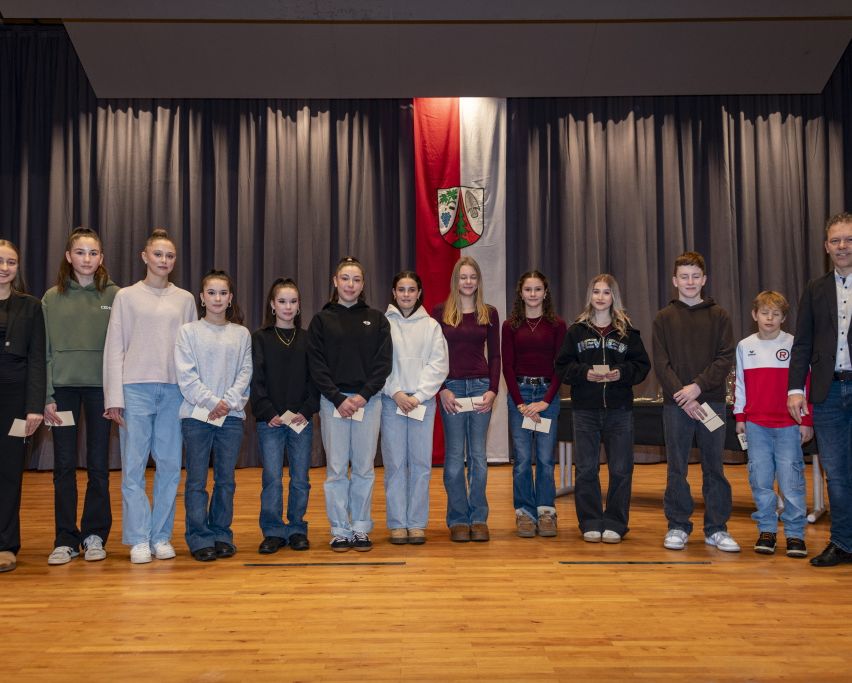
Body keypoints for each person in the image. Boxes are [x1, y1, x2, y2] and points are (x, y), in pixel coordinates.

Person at [103, 228, 197, 564]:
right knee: (133, 467)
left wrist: (191, 395)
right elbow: (115, 347)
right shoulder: (126, 297)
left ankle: (161, 536)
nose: (164, 261)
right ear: (145, 257)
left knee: (171, 466)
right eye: (158, 254)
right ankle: (138, 537)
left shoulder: (185, 299)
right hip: (135, 391)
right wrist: (114, 396)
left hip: (173, 391)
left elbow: (192, 350)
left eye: (170, 256)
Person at [652, 251, 739, 552]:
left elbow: (725, 358)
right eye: (684, 277)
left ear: (704, 279)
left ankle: (717, 528)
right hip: (676, 406)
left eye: (695, 276)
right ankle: (677, 525)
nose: (690, 282)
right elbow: (661, 364)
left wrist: (697, 388)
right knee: (676, 466)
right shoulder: (663, 318)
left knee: (714, 466)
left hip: (711, 403)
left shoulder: (720, 316)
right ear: (675, 281)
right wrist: (683, 395)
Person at [42, 227, 119, 565]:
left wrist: (117, 392)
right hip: (64, 393)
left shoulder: (117, 296)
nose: (87, 259)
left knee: (99, 465)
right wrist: (47, 395)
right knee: (63, 465)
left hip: (102, 391)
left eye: (93, 253)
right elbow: (42, 351)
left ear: (101, 258)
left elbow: (122, 350)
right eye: (80, 252)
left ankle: (94, 535)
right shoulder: (51, 298)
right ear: (68, 256)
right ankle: (65, 538)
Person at [556, 274, 650, 543]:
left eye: (606, 292)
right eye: (596, 292)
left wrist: (621, 373)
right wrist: (584, 373)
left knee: (621, 469)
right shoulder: (576, 331)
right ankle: (590, 521)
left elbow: (642, 366)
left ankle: (616, 523)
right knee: (586, 469)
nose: (600, 297)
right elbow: (562, 366)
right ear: (590, 296)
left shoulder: (628, 333)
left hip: (619, 410)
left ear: (613, 297)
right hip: (585, 409)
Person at [307, 257, 392, 552]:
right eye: (345, 278)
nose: (350, 284)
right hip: (334, 404)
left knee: (365, 468)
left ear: (363, 284)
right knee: (336, 468)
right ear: (335, 281)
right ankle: (340, 529)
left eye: (356, 279)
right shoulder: (321, 320)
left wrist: (363, 396)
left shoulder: (377, 319)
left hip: (367, 403)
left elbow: (383, 364)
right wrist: (338, 398)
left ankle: (360, 528)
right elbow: (316, 365)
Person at [788, 212, 852, 567]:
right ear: (826, 246)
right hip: (828, 394)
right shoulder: (815, 289)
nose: (843, 246)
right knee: (837, 474)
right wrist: (794, 389)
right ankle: (843, 543)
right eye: (836, 240)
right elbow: (802, 344)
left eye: (849, 239)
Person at [175, 270, 252, 562]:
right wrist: (211, 402)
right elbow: (186, 376)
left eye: (223, 293)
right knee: (196, 480)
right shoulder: (188, 332)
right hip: (196, 416)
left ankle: (221, 533)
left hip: (231, 417)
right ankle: (199, 537)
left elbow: (245, 373)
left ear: (230, 298)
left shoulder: (241, 334)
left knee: (225, 480)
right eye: (211, 293)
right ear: (202, 297)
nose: (217, 298)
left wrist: (227, 402)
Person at [735, 291, 812, 558]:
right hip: (756, 425)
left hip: (789, 424)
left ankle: (794, 533)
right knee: (760, 479)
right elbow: (740, 386)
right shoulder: (745, 346)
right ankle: (767, 529)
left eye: (776, 314)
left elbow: (805, 385)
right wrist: (740, 417)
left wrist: (806, 420)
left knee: (791, 481)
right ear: (755, 315)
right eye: (765, 313)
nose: (770, 318)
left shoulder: (794, 344)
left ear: (784, 318)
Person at [432, 256, 500, 543]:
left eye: (473, 276)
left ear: (479, 280)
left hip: (481, 388)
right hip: (453, 390)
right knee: (453, 458)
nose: (468, 281)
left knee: (478, 458)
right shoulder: (440, 312)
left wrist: (493, 390)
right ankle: (458, 519)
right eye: (463, 276)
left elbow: (495, 355)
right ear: (455, 280)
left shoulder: (489, 312)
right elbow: (433, 356)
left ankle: (479, 518)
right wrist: (442, 389)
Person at [251, 278, 318, 554]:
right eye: (282, 301)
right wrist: (268, 412)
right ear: (272, 305)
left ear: (299, 305)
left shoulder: (308, 339)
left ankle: (297, 528)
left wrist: (305, 410)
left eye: (293, 301)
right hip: (271, 421)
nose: (288, 307)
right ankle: (273, 530)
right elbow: (256, 380)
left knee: (301, 477)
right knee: (272, 478)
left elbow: (317, 379)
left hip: (301, 421)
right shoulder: (260, 338)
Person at [381, 271, 448, 545]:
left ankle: (417, 523)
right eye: (401, 289)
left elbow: (438, 364)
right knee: (395, 464)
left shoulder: (431, 326)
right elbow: (380, 364)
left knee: (420, 464)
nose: (406, 294)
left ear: (419, 293)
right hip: (391, 400)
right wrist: (396, 392)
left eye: (411, 289)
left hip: (422, 403)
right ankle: (397, 523)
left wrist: (419, 396)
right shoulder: (382, 325)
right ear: (394, 293)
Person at [502, 270, 566, 538]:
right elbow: (507, 366)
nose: (532, 294)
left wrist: (545, 401)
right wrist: (520, 404)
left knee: (544, 458)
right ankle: (524, 513)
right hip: (520, 395)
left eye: (537, 289)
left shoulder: (558, 325)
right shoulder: (510, 325)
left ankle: (546, 511)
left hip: (546, 396)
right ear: (521, 293)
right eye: (528, 289)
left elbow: (560, 367)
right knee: (523, 459)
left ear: (545, 292)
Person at [0, 240, 45, 573]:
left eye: (11, 262)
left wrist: (34, 407)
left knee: (9, 472)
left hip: (15, 400)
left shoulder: (30, 306)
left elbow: (36, 360)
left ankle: (5, 545)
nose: (4, 267)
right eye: (0, 261)